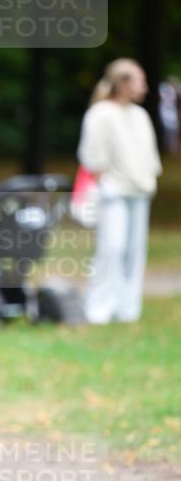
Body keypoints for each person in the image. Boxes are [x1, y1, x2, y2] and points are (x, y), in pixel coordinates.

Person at [78, 58, 162, 324]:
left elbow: (149, 156)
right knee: (112, 248)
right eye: (139, 81)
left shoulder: (140, 115)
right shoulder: (100, 113)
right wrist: (105, 179)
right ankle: (99, 308)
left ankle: (128, 308)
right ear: (122, 83)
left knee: (134, 250)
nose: (144, 88)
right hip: (113, 191)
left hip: (140, 190)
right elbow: (92, 156)